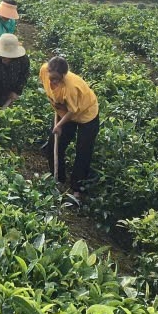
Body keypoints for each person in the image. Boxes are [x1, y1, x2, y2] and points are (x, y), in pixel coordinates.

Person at [39, 55, 99, 204]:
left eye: (56, 79)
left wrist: (59, 125)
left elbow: (73, 111)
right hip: (64, 112)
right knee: (55, 144)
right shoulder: (43, 71)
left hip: (86, 114)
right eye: (51, 77)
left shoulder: (71, 87)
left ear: (63, 76)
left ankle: (77, 187)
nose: (52, 82)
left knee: (83, 150)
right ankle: (58, 179)